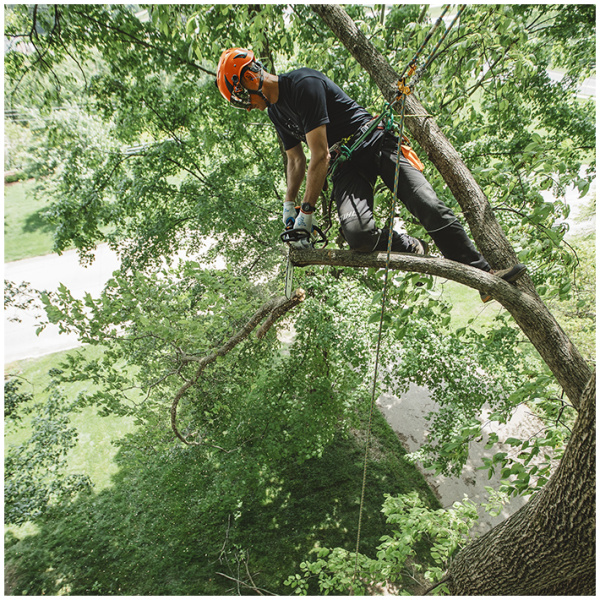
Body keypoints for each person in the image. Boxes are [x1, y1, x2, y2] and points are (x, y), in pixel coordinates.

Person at [215, 48, 526, 302]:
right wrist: (289, 206)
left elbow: (318, 156)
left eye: (244, 99)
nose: (249, 108)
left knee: (427, 205)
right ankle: (406, 244)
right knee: (359, 237)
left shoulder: (303, 85)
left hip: (374, 141)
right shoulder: (275, 111)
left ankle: (484, 276)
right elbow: (295, 160)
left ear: (252, 77)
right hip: (347, 163)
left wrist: (306, 212)